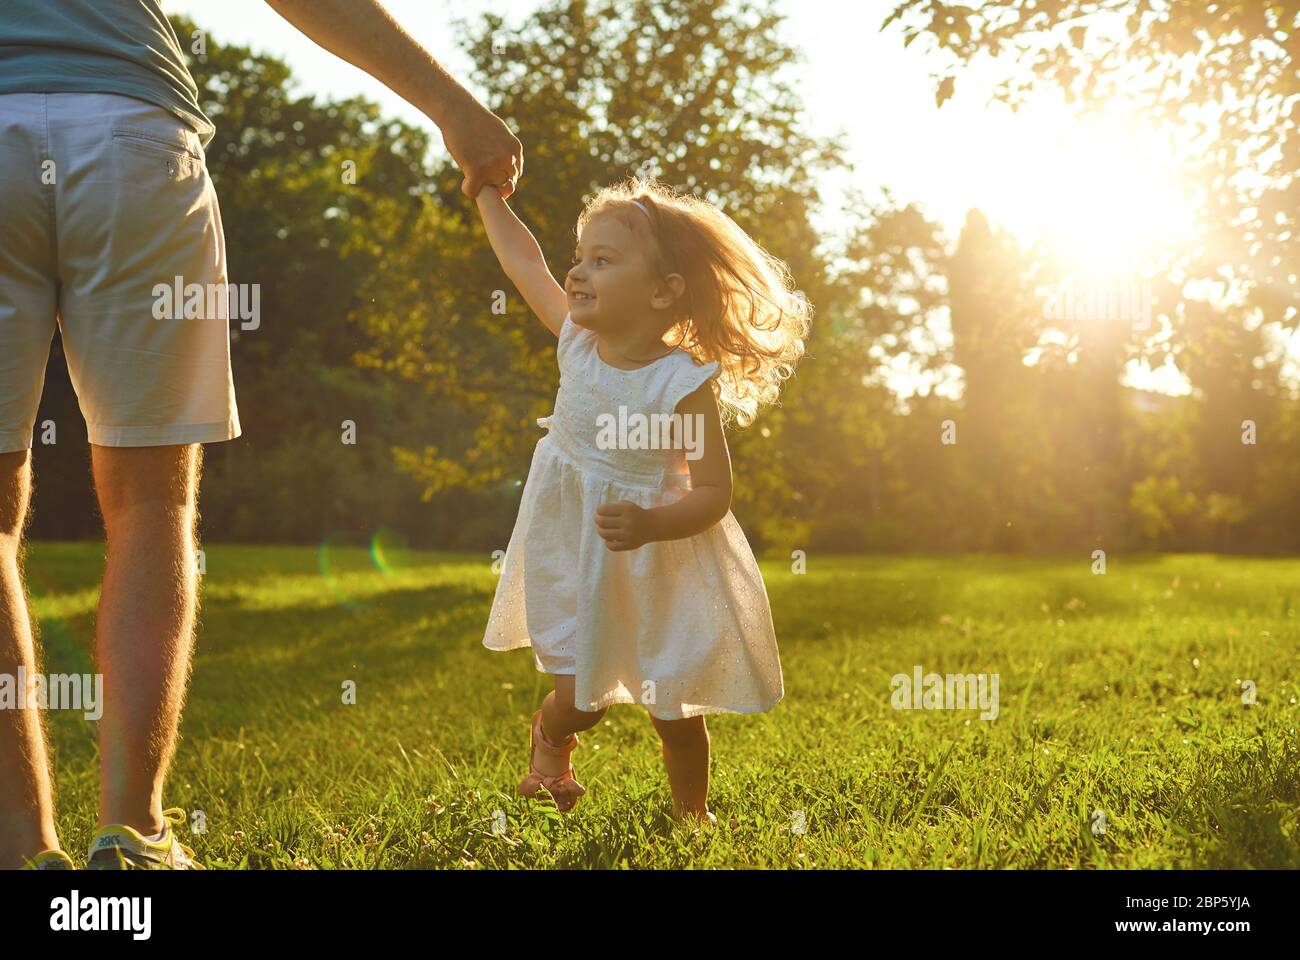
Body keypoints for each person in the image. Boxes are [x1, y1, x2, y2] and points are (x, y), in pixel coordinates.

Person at [0, 0, 521, 870]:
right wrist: (451, 106)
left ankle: (20, 856)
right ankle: (132, 833)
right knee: (151, 506)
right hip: (133, 134)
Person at [476, 176, 810, 825]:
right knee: (582, 699)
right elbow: (524, 262)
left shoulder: (681, 384)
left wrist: (653, 522)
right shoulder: (576, 339)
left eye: (602, 260)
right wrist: (488, 194)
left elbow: (713, 493)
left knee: (674, 708)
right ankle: (552, 745)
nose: (577, 272)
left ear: (663, 291)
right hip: (575, 545)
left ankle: (692, 815)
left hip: (659, 557)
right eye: (581, 257)